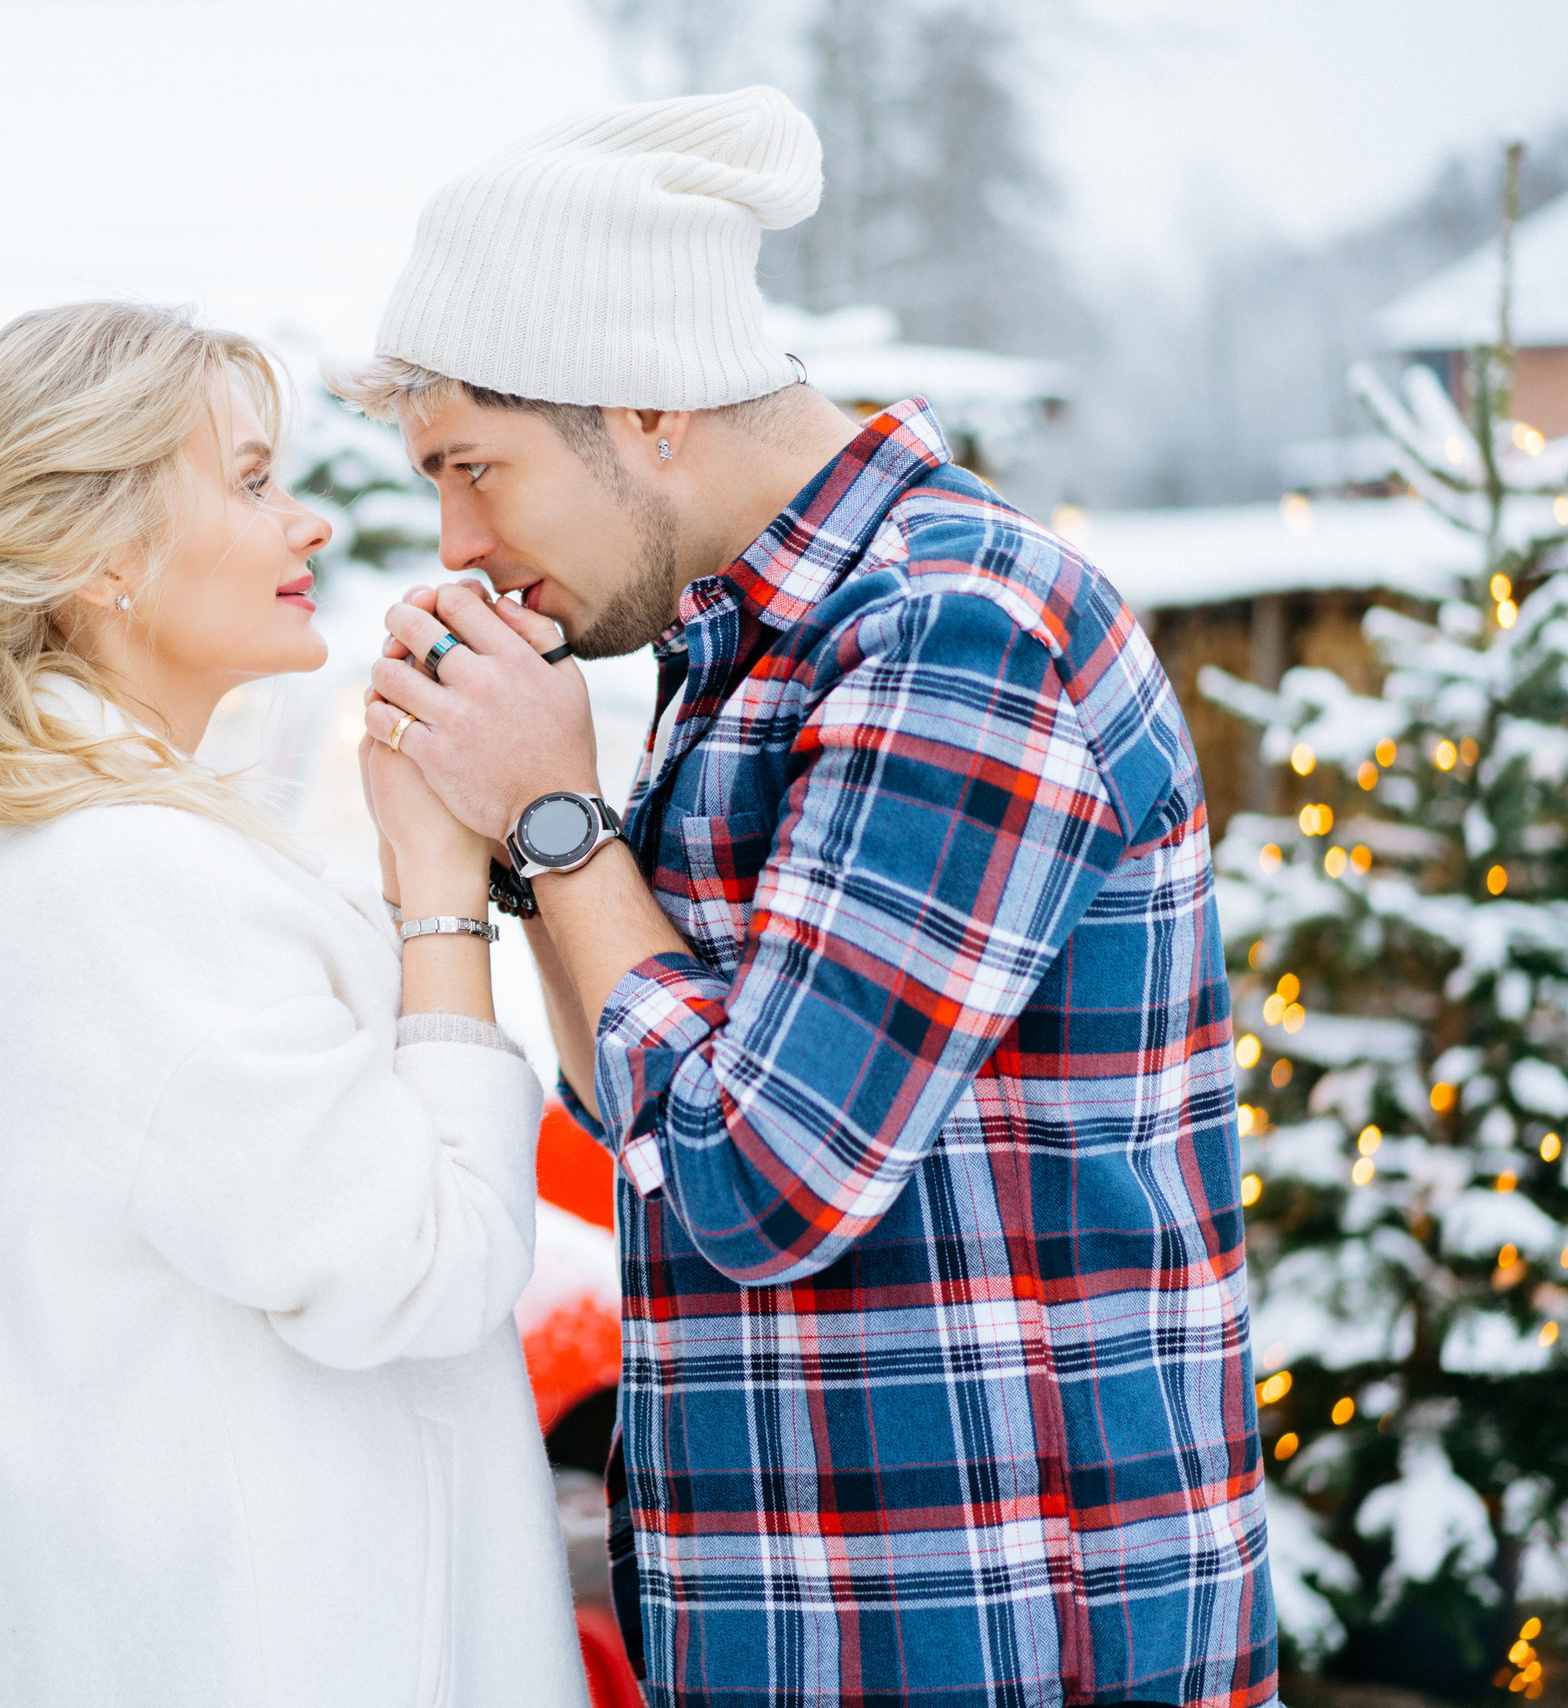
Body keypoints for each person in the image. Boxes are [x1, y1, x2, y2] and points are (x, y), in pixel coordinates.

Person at [337, 89, 1277, 1708]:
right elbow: (634, 1104)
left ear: (647, 408)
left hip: (992, 1632)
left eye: (476, 469)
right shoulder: (746, 645)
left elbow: (768, 1176)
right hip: (810, 1620)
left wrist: (561, 821)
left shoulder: (956, 631)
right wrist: (504, 828)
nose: (460, 542)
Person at [0, 300, 587, 1707]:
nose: (308, 525)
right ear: (102, 557)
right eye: (254, 480)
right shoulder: (133, 888)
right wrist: (437, 885)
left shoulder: (82, 859)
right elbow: (430, 1266)